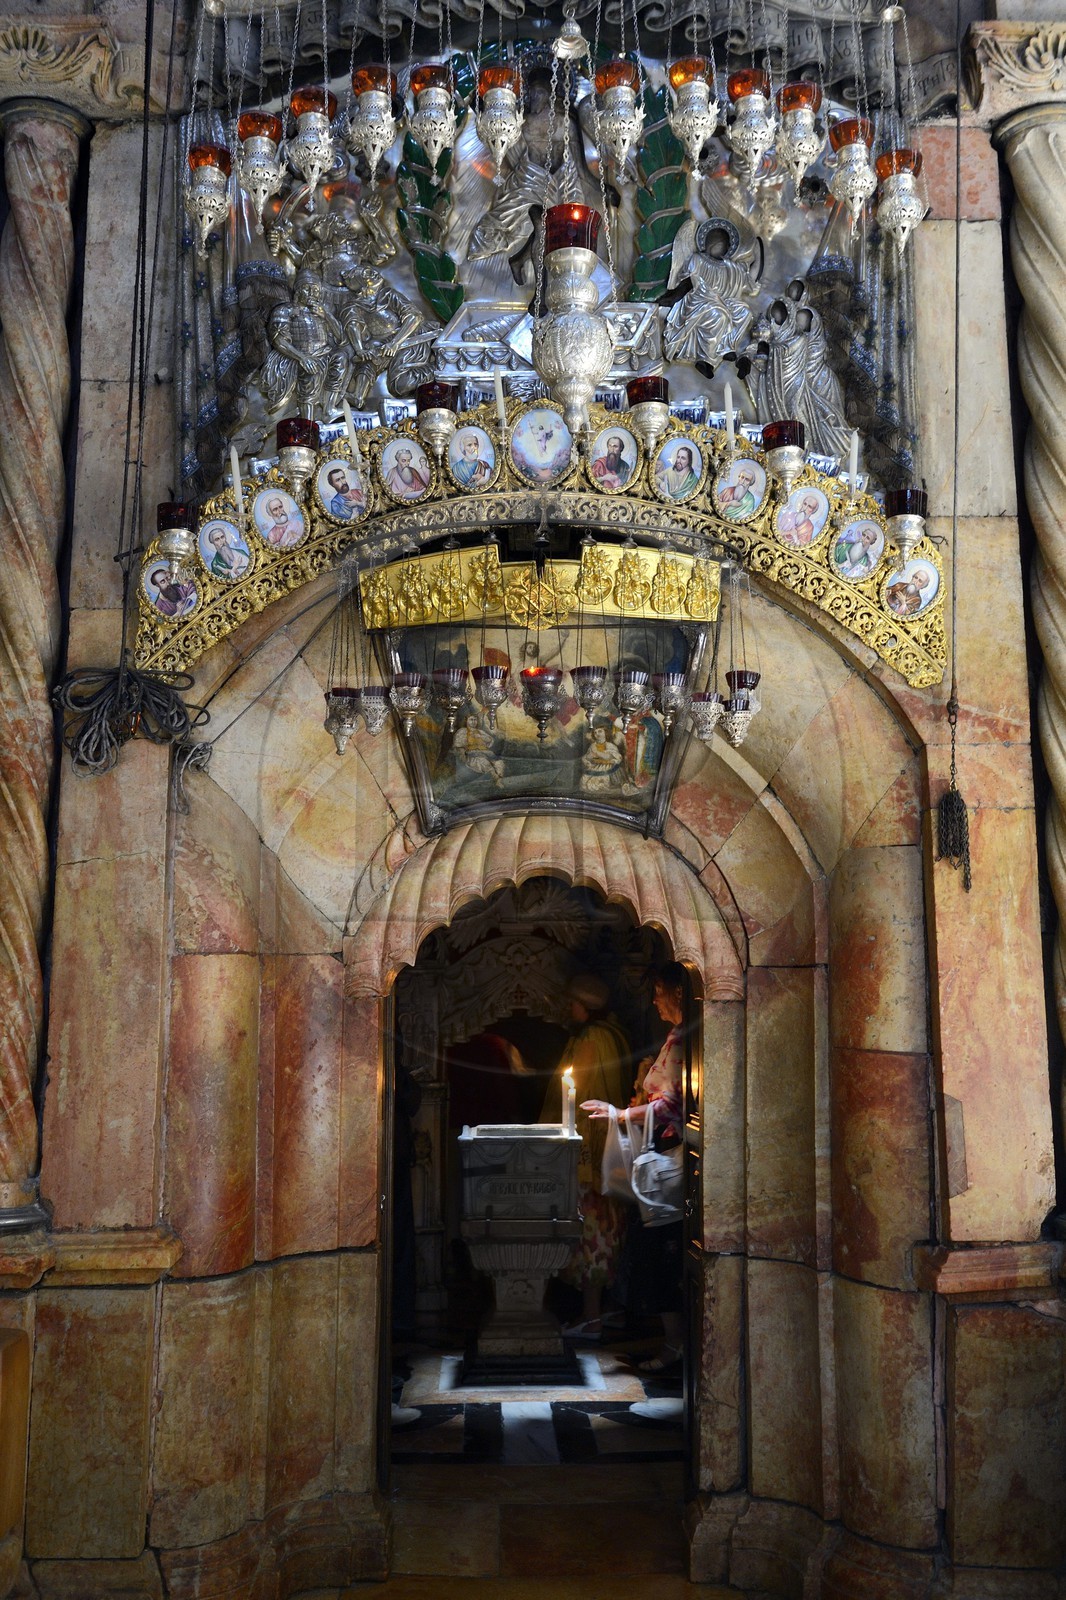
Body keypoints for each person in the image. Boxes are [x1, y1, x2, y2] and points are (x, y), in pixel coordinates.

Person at [582, 962, 689, 1373]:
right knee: (653, 1255)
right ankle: (673, 1342)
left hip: (670, 1161)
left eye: (659, 991)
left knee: (662, 1257)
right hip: (659, 1158)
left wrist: (620, 1113)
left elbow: (673, 1106)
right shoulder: (675, 1038)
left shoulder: (684, 1040)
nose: (654, 1000)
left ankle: (677, 1345)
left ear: (677, 993)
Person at [543, 974, 632, 1340]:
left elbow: (580, 1093)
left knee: (590, 1234)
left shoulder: (592, 1039)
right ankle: (601, 1310)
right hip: (608, 1151)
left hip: (589, 1153)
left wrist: (562, 1145)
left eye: (573, 1002)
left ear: (587, 1005)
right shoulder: (614, 1033)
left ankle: (591, 1315)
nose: (568, 1008)